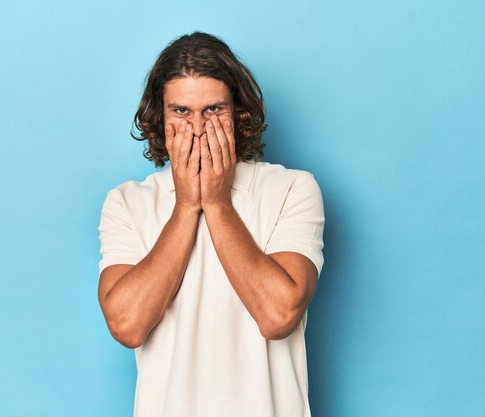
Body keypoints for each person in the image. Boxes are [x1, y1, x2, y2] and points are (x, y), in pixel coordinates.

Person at [97, 31, 325, 417]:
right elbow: (126, 325)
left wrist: (217, 204)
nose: (198, 128)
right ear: (159, 116)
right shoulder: (127, 203)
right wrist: (187, 205)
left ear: (239, 112)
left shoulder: (292, 189)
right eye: (181, 112)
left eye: (213, 110)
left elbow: (278, 316)